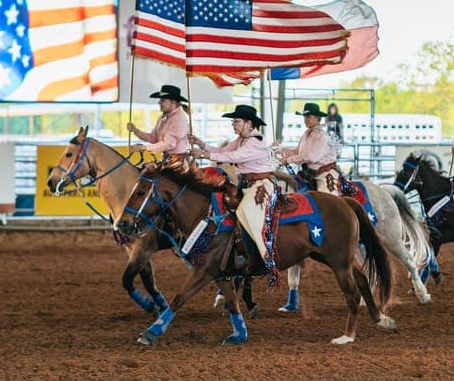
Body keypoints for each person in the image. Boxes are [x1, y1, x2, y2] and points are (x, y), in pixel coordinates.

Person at [190, 104, 279, 284]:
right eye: (233, 121)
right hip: (247, 183)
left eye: (236, 121)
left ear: (248, 123)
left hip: (262, 184)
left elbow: (233, 157)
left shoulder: (254, 142)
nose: (233, 124)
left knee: (244, 209)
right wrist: (200, 144)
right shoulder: (240, 140)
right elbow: (223, 151)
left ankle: (257, 255)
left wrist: (204, 155)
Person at [277, 102, 340, 194]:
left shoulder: (321, 136)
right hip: (308, 174)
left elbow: (310, 157)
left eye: (308, 117)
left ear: (317, 118)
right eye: (305, 117)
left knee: (326, 198)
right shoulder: (306, 134)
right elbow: (298, 151)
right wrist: (280, 150)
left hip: (324, 173)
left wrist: (287, 160)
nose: (305, 119)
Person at [127, 84, 191, 165]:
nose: (159, 102)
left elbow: (170, 144)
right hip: (168, 160)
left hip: (179, 163)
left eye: (163, 100)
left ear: (173, 102)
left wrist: (143, 148)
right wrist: (136, 131)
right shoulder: (163, 118)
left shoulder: (179, 119)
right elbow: (154, 138)